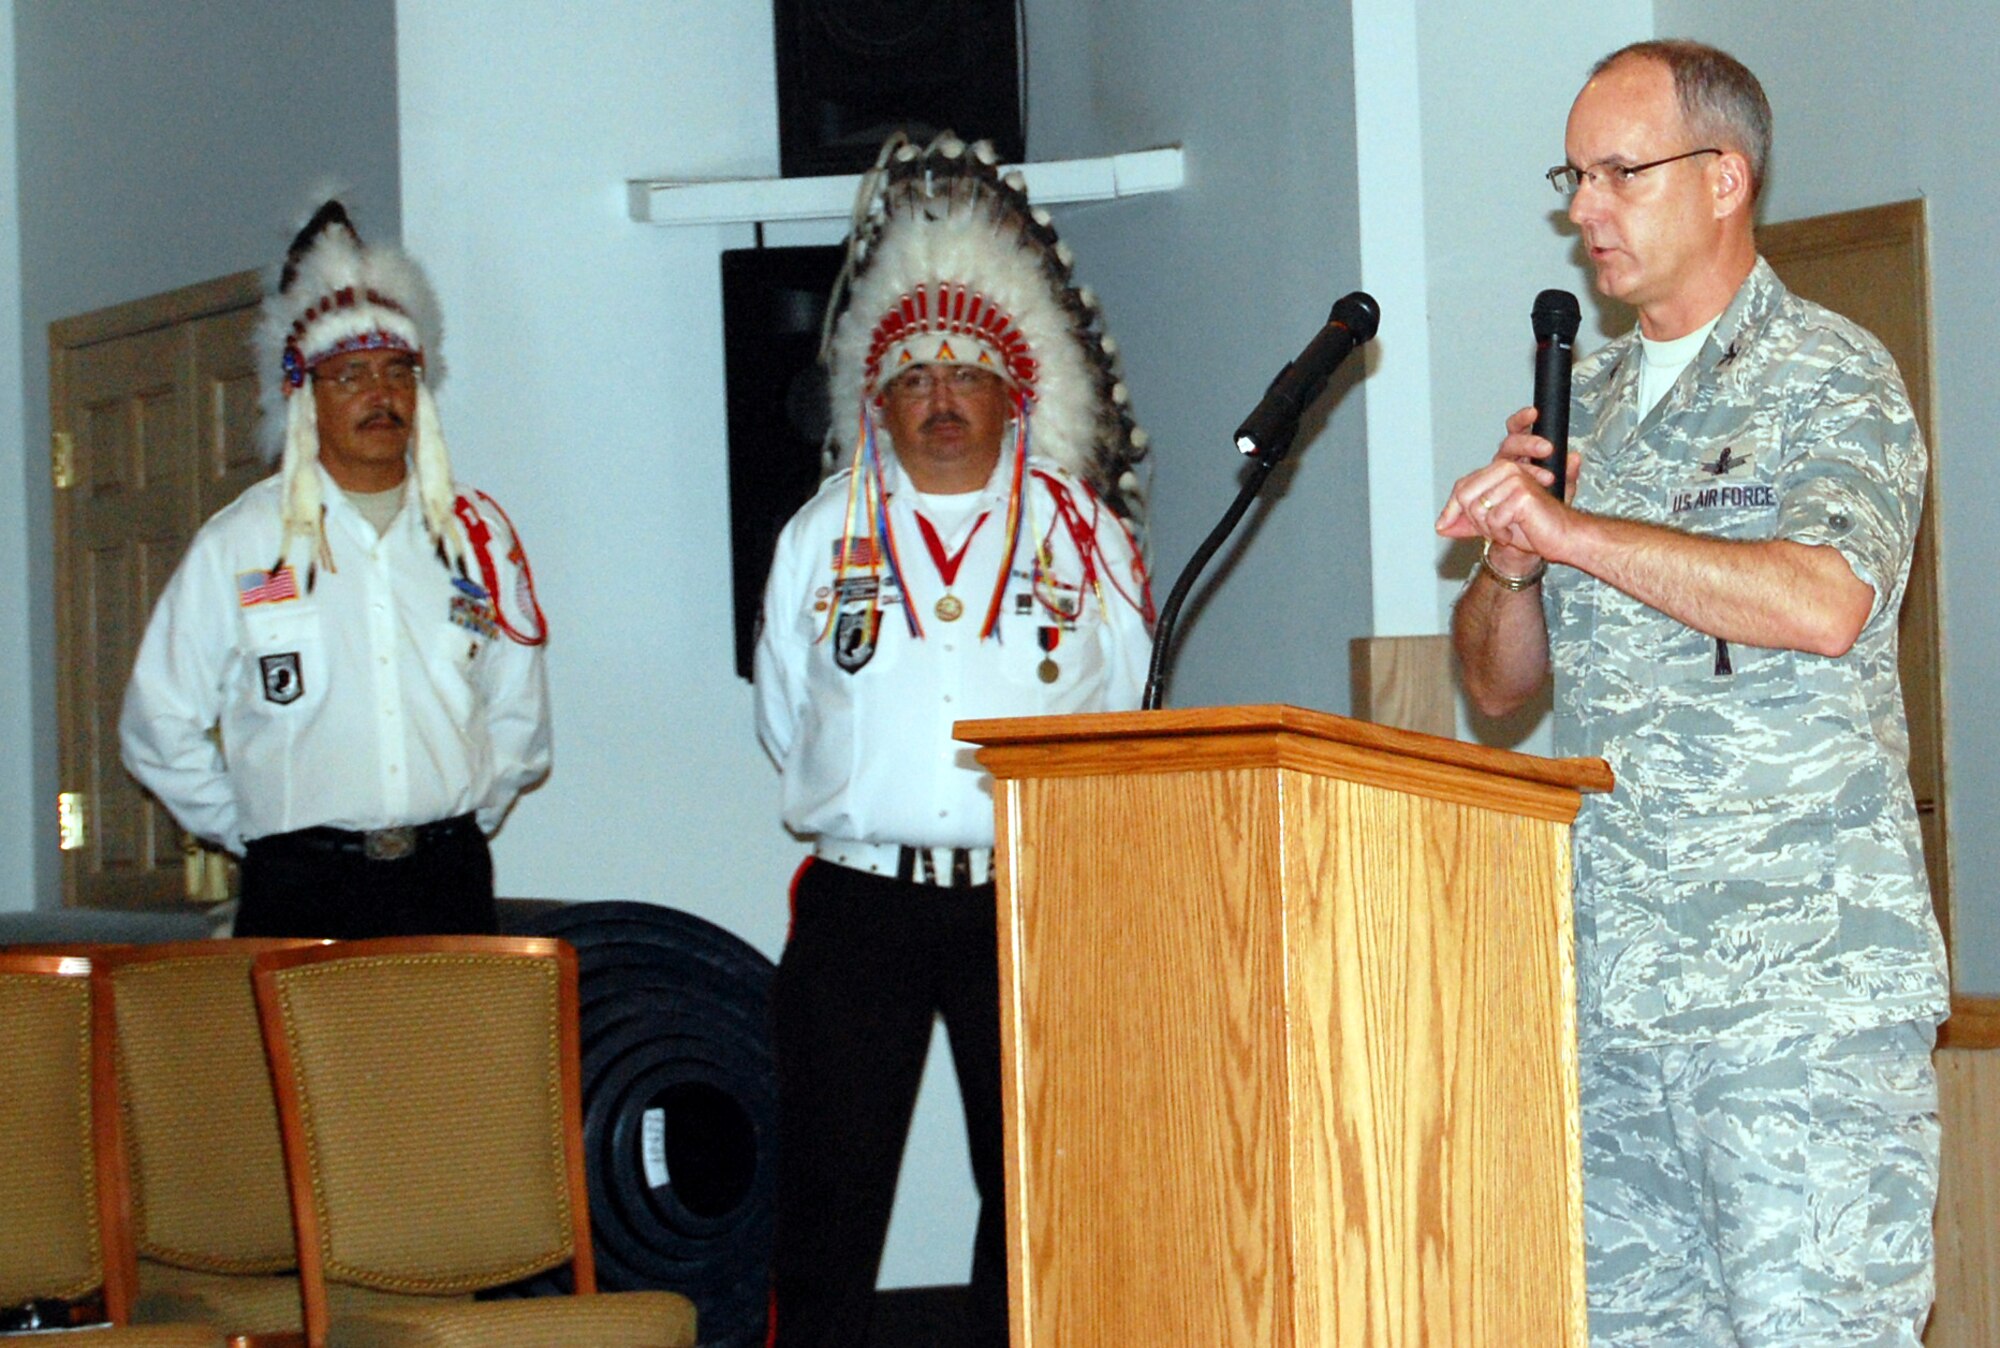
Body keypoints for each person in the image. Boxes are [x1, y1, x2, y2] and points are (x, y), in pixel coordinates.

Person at [1438, 40, 1947, 1346]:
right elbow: (1497, 689)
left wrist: (1580, 537)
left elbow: (1824, 600)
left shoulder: (1826, 373)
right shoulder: (1587, 408)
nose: (1582, 210)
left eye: (1620, 173)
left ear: (1726, 177)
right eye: (1574, 177)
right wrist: (1510, 564)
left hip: (1794, 1007)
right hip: (1619, 1005)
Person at [754, 133, 1154, 1348]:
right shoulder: (820, 536)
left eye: (964, 372)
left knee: (1036, 1190)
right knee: (826, 1195)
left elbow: (1124, 707)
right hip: (858, 905)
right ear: (877, 397)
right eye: (913, 373)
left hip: (1026, 900)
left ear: (1010, 391)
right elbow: (784, 716)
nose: (938, 394)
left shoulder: (1082, 538)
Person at [120, 201, 550, 940]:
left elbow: (518, 713)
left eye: (397, 372)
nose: (380, 396)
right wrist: (257, 828)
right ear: (304, 397)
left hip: (446, 879)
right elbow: (157, 723)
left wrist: (458, 816)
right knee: (303, 1063)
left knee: (446, 1060)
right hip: (300, 887)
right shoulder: (241, 544)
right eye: (350, 375)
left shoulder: (478, 536)